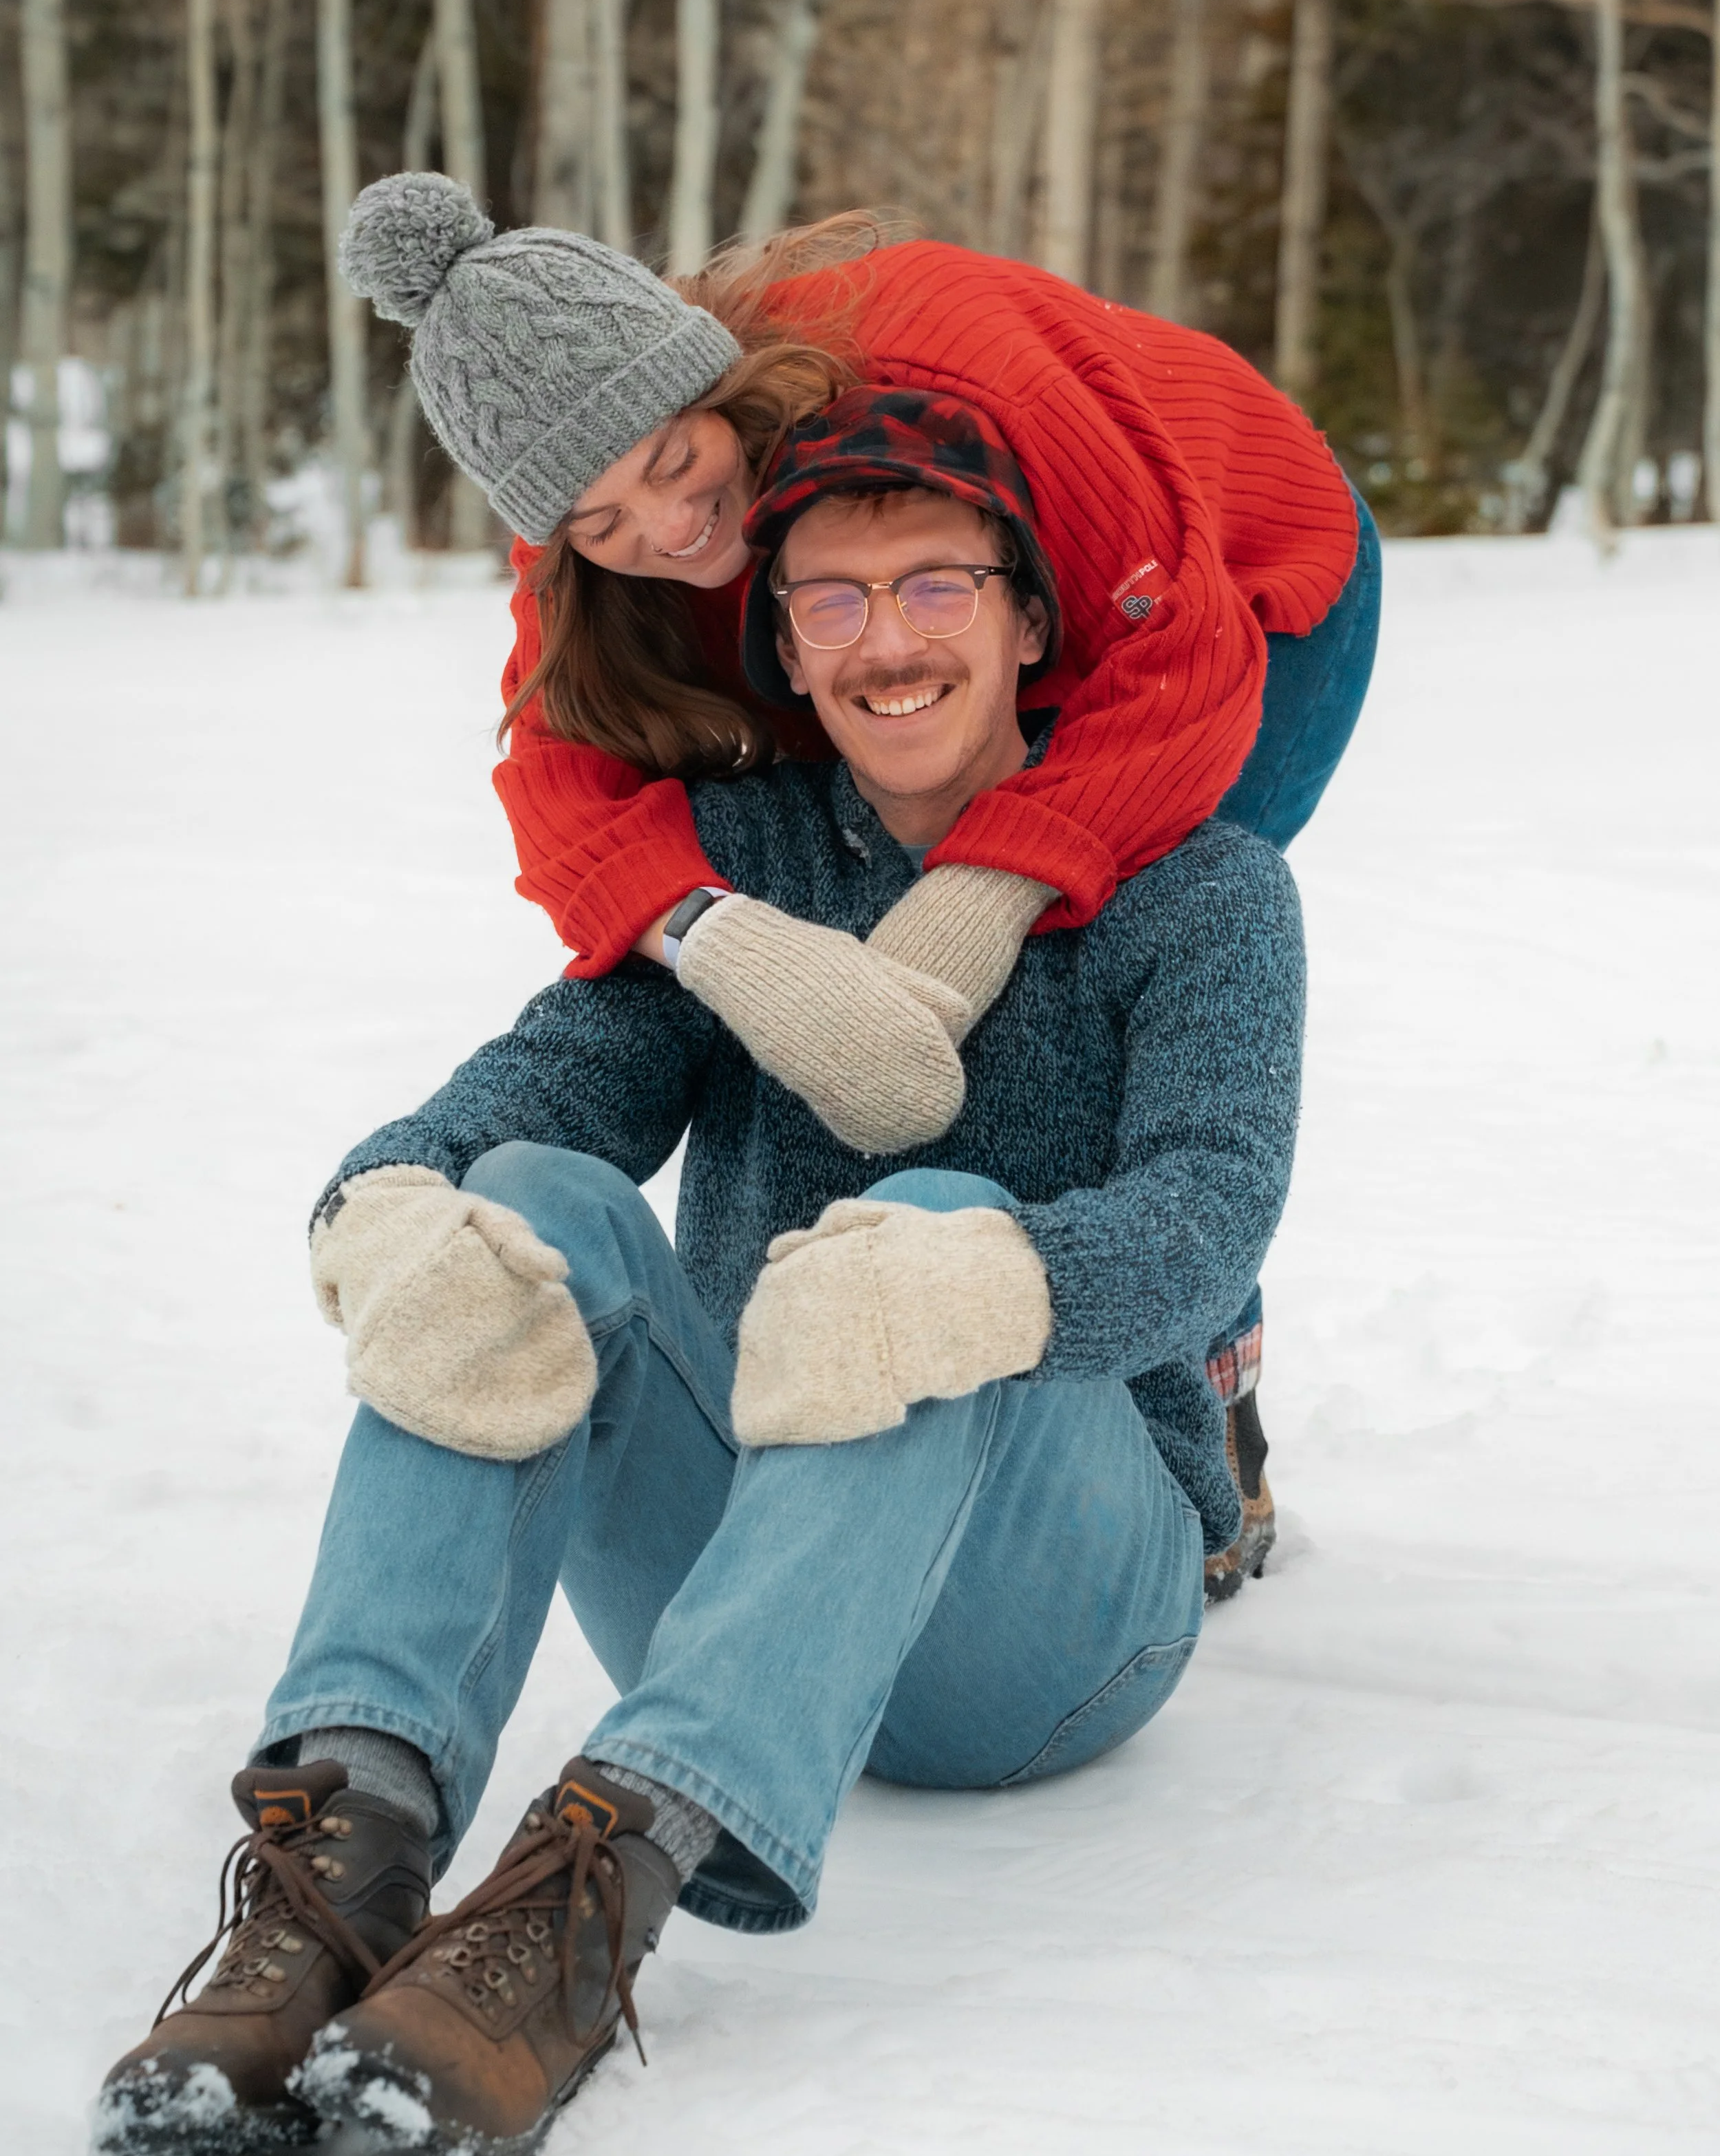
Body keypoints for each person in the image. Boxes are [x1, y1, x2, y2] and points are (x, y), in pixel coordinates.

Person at [94, 396, 1304, 2156]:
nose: (886, 637)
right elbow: (555, 1072)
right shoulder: (736, 865)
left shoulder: (1204, 887)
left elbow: (1208, 1215)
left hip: (1046, 1625)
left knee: (940, 1217)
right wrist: (392, 1190)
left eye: (935, 585)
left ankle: (587, 1903)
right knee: (523, 1213)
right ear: (786, 649)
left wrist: (978, 1273)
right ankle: (342, 1857)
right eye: (830, 601)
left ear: (1029, 616)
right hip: (750, 1552)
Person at [338, 173, 1377, 1591]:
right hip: (914, 616)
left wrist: (972, 907)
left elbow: (1181, 661)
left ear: (697, 374)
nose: (661, 524)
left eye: (668, 461)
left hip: (1228, 594)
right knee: (861, 917)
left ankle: (1182, 1415)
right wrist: (712, 935)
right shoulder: (580, 458)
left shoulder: (950, 369)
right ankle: (888, 1375)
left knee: (1122, 968)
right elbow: (561, 778)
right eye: (597, 520)